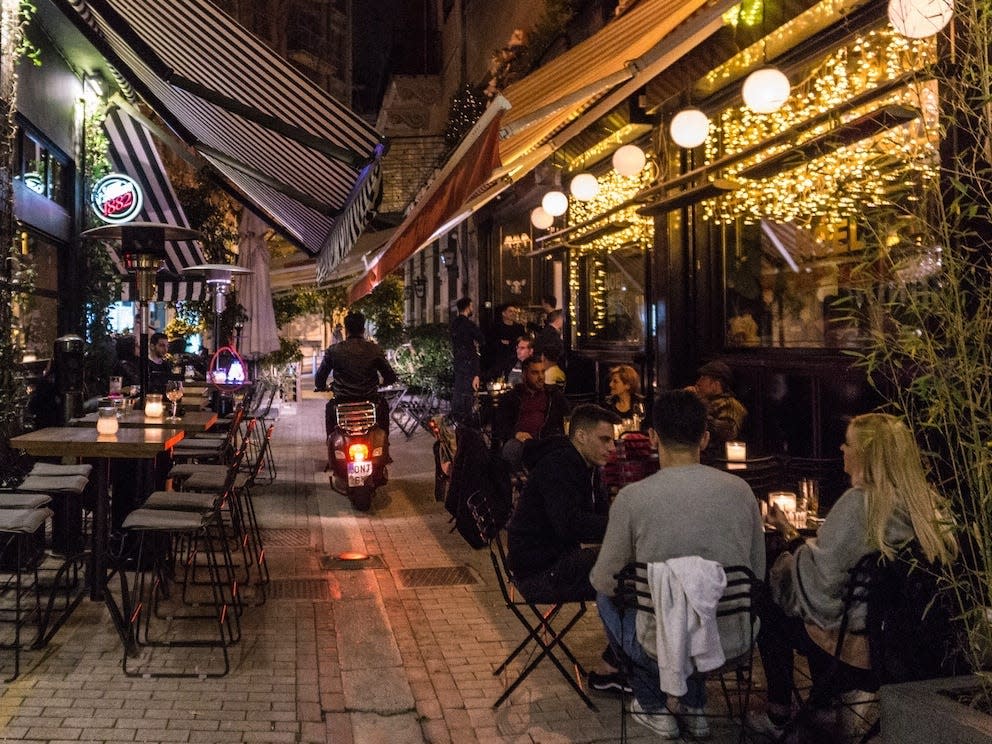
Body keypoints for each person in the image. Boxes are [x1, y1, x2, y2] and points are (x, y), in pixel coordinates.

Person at [749, 413, 958, 738]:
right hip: (912, 646)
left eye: (848, 444)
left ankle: (780, 714)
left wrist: (790, 555)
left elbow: (819, 582)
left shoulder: (860, 505)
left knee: (773, 606)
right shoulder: (928, 506)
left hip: (864, 652)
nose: (842, 449)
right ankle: (824, 704)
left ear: (865, 454)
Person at [589, 390, 765, 740]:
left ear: (653, 436)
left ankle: (655, 706)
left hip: (658, 644)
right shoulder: (741, 490)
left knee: (609, 599)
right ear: (705, 437)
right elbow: (756, 573)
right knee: (690, 603)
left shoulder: (632, 498)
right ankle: (695, 707)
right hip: (732, 639)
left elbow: (606, 580)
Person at [506, 404, 621, 603]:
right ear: (581, 436)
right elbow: (570, 524)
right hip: (539, 574)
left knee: (626, 570)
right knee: (627, 575)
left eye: (613, 440)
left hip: (554, 561)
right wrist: (622, 526)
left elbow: (596, 514)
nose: (612, 447)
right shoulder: (559, 465)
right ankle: (628, 634)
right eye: (605, 439)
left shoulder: (586, 467)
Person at [314, 311, 398, 437]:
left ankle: (330, 444)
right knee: (383, 407)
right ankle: (385, 445)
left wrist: (322, 386)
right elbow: (390, 376)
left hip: (342, 401)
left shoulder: (333, 351)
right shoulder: (374, 349)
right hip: (370, 400)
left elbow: (320, 378)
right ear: (363, 330)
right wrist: (383, 383)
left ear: (346, 330)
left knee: (330, 411)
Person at [492, 357, 570, 469]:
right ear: (524, 375)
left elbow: (568, 417)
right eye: (535, 373)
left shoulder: (554, 395)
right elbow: (500, 425)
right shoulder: (511, 397)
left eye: (543, 372)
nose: (541, 377)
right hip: (521, 444)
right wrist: (516, 434)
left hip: (546, 442)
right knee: (511, 448)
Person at [685, 360, 747, 459]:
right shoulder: (704, 401)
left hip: (718, 460)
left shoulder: (731, 404)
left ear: (716, 384)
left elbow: (727, 432)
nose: (698, 383)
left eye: (703, 378)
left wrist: (699, 406)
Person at [450, 297, 484, 426]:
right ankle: (467, 424)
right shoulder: (469, 325)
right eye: (471, 306)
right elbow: (481, 339)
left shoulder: (454, 324)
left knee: (459, 392)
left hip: (459, 363)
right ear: (467, 307)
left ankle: (458, 421)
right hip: (469, 363)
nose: (472, 309)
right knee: (468, 396)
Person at [483, 302, 526, 381]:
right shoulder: (496, 327)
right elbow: (492, 343)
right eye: (510, 311)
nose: (513, 313)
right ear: (503, 313)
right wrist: (511, 342)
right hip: (498, 362)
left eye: (515, 312)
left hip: (515, 362)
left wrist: (508, 343)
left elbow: (521, 343)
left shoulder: (519, 328)